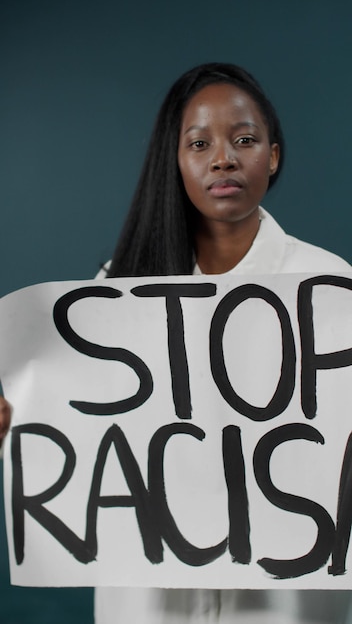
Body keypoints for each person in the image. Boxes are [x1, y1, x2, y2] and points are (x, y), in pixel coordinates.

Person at [1, 62, 352, 622]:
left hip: (287, 602)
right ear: (176, 161)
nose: (223, 158)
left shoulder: (332, 287)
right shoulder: (115, 290)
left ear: (274, 155)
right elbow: (75, 436)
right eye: (199, 143)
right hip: (149, 604)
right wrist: (16, 423)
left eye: (244, 139)